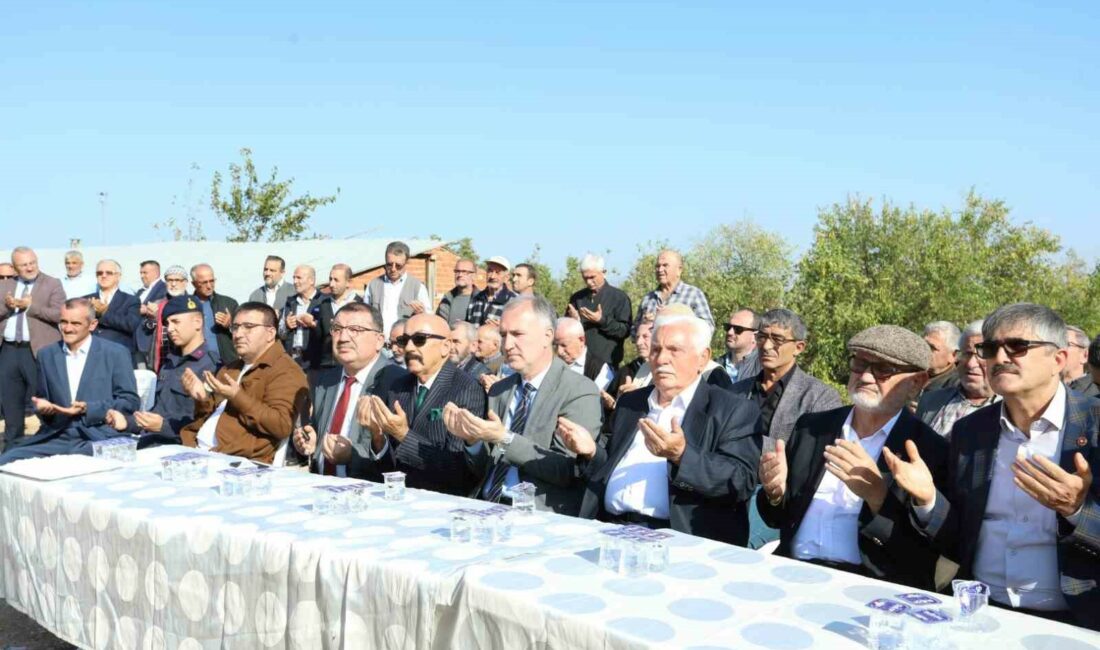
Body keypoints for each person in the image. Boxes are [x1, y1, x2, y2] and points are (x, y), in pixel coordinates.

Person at [892, 303, 1100, 629]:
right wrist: (929, 500)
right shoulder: (972, 432)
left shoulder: (1094, 425)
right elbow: (960, 533)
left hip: (1075, 617)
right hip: (979, 611)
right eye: (990, 348)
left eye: (1017, 347)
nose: (1000, 359)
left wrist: (1077, 511)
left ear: (1058, 360)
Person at [756, 325, 949, 590]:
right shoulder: (812, 428)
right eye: (860, 364)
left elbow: (923, 555)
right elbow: (776, 518)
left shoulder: (928, 450)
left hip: (869, 586)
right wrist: (774, 494)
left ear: (916, 382)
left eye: (883, 370)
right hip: (792, 572)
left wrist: (879, 499)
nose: (866, 377)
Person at [561, 313, 761, 544]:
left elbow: (740, 482)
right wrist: (590, 451)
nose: (661, 359)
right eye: (655, 350)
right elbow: (605, 465)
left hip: (677, 540)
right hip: (608, 531)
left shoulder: (732, 410)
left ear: (702, 358)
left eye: (674, 350)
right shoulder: (631, 403)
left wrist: (682, 456)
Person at [446, 296, 603, 515]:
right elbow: (485, 468)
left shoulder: (578, 390)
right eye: (503, 335)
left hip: (538, 515)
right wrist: (473, 441)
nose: (507, 345)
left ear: (548, 336)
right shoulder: (500, 390)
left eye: (518, 334)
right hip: (485, 505)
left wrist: (505, 439)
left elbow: (567, 470)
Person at [730, 309, 843, 550]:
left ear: (799, 347)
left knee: (737, 545)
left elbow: (809, 458)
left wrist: (742, 442)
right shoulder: (736, 391)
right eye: (762, 337)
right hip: (728, 485)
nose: (767, 345)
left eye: (778, 339)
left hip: (779, 499)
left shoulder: (819, 397)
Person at [348, 313, 487, 495]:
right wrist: (377, 436)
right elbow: (388, 469)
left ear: (445, 346)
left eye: (419, 339)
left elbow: (458, 471)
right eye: (404, 341)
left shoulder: (466, 389)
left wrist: (404, 435)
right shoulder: (398, 386)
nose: (409, 348)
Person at [0, 299, 139, 464]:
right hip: (57, 436)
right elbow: (42, 398)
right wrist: (44, 409)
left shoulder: (115, 353)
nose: (67, 328)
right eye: (63, 322)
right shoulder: (47, 355)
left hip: (98, 435)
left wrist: (89, 408)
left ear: (93, 324)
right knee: (7, 461)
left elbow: (130, 401)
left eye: (75, 323)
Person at [180, 302, 309, 463]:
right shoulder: (231, 368)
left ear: (270, 333)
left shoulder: (286, 371)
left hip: (235, 462)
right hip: (194, 449)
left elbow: (281, 425)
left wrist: (237, 396)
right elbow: (205, 417)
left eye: (248, 327)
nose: (238, 334)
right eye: (235, 327)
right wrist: (201, 399)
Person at [291, 303, 406, 475]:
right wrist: (309, 442)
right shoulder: (325, 380)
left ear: (379, 340)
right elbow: (317, 437)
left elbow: (403, 458)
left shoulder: (397, 382)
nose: (343, 337)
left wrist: (352, 455)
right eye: (337, 328)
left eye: (355, 329)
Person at [106, 295, 216, 447]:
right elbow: (158, 413)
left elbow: (209, 426)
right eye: (167, 323)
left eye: (176, 322)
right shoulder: (170, 363)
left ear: (197, 322)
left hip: (181, 450)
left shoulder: (213, 367)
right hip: (151, 444)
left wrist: (163, 426)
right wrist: (127, 421)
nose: (169, 329)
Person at [0, 247, 65, 447]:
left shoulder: (52, 283)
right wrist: (8, 307)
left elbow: (59, 314)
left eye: (32, 263)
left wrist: (30, 307)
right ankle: (12, 447)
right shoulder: (5, 286)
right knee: (10, 401)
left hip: (39, 350)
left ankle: (48, 443)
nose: (29, 267)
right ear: (14, 267)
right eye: (23, 265)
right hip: (9, 350)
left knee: (43, 399)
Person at [916, 320, 998, 436]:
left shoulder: (1011, 410)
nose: (970, 364)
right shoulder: (930, 400)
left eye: (982, 354)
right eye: (967, 354)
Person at [566, 253, 632, 367]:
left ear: (604, 273)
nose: (589, 282)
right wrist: (574, 322)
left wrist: (602, 321)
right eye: (585, 278)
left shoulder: (619, 297)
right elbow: (566, 331)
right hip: (578, 363)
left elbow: (624, 331)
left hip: (607, 364)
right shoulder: (577, 298)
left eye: (592, 277)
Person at [633, 249, 714, 331]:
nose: (660, 270)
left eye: (665, 265)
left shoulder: (693, 294)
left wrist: (675, 318)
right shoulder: (648, 298)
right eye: (658, 266)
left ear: (679, 270)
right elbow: (633, 331)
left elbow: (708, 327)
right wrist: (644, 324)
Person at [364, 241, 431, 338]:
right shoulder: (372, 285)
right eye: (389, 264)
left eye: (398, 265)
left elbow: (429, 321)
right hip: (378, 345)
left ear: (407, 262)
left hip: (404, 345)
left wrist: (422, 314)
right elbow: (364, 317)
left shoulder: (418, 287)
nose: (393, 269)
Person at [278, 264, 334, 378]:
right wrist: (286, 325)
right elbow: (280, 333)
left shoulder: (325, 302)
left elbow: (330, 333)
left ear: (311, 281)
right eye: (294, 277)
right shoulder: (290, 302)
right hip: (292, 361)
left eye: (299, 278)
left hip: (315, 364)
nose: (294, 281)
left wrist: (314, 324)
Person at [85, 259, 141, 357]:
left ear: (118, 276)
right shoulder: (85, 300)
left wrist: (103, 313)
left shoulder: (131, 300)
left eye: (109, 273)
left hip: (118, 354)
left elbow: (131, 325)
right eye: (99, 273)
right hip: (90, 354)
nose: (103, 275)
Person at [144, 265, 190, 373]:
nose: (173, 284)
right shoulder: (157, 304)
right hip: (162, 359)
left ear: (185, 282)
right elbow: (147, 329)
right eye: (169, 280)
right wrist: (151, 318)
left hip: (186, 357)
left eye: (177, 280)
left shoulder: (192, 303)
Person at [190, 264, 238, 365]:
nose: (209, 286)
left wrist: (230, 325)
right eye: (204, 282)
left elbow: (244, 333)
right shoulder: (185, 306)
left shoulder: (229, 303)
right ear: (194, 284)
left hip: (226, 365)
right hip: (196, 365)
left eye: (212, 281)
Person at [554, 317, 615, 392]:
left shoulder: (600, 370)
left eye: (564, 345)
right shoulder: (550, 363)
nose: (559, 351)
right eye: (555, 345)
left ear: (581, 340)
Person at [133, 260, 167, 367]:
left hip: (152, 341)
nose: (142, 276)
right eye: (141, 273)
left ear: (156, 273)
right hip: (137, 342)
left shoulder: (164, 288)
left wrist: (147, 309)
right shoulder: (140, 291)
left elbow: (162, 306)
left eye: (145, 273)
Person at [465, 256, 517, 326]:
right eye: (490, 271)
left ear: (506, 278)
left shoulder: (514, 301)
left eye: (497, 272)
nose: (492, 276)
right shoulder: (476, 298)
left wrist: (502, 328)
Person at [717, 308, 761, 383]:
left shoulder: (763, 369)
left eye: (738, 329)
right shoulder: (714, 367)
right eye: (728, 327)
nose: (730, 332)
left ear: (755, 336)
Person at [436, 258, 477, 327]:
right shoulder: (447, 298)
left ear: (474, 275)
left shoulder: (482, 299)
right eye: (457, 271)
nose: (460, 275)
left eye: (464, 272)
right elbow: (438, 325)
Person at [923, 321, 961, 392]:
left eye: (932, 347)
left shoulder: (957, 387)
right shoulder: (911, 373)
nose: (924, 350)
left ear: (953, 355)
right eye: (923, 345)